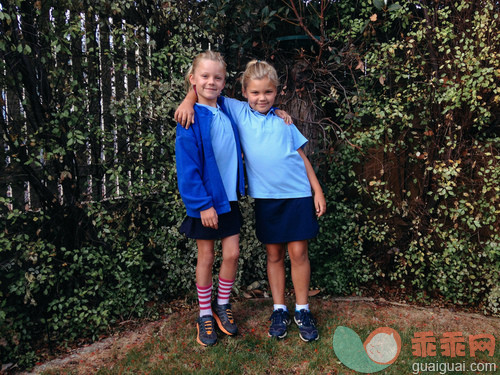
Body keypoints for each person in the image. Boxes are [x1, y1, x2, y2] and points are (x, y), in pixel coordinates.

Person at [176, 59, 327, 342]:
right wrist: (187, 99)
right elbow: (206, 88)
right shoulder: (236, 111)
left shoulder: (284, 121)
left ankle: (303, 310)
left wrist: (317, 190)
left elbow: (301, 157)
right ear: (244, 92)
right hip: (266, 199)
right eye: (255, 93)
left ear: (277, 93)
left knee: (298, 254)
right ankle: (278, 309)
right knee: (274, 256)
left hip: (297, 195)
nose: (261, 98)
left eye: (268, 92)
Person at [175, 50, 245, 347]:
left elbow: (257, 104)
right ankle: (204, 313)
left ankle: (221, 305)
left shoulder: (227, 109)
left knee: (232, 254)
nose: (211, 82)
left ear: (224, 81)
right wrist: (202, 205)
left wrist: (279, 112)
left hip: (228, 199)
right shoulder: (189, 118)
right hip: (206, 202)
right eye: (204, 76)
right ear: (193, 80)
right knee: (207, 256)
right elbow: (187, 168)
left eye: (217, 77)